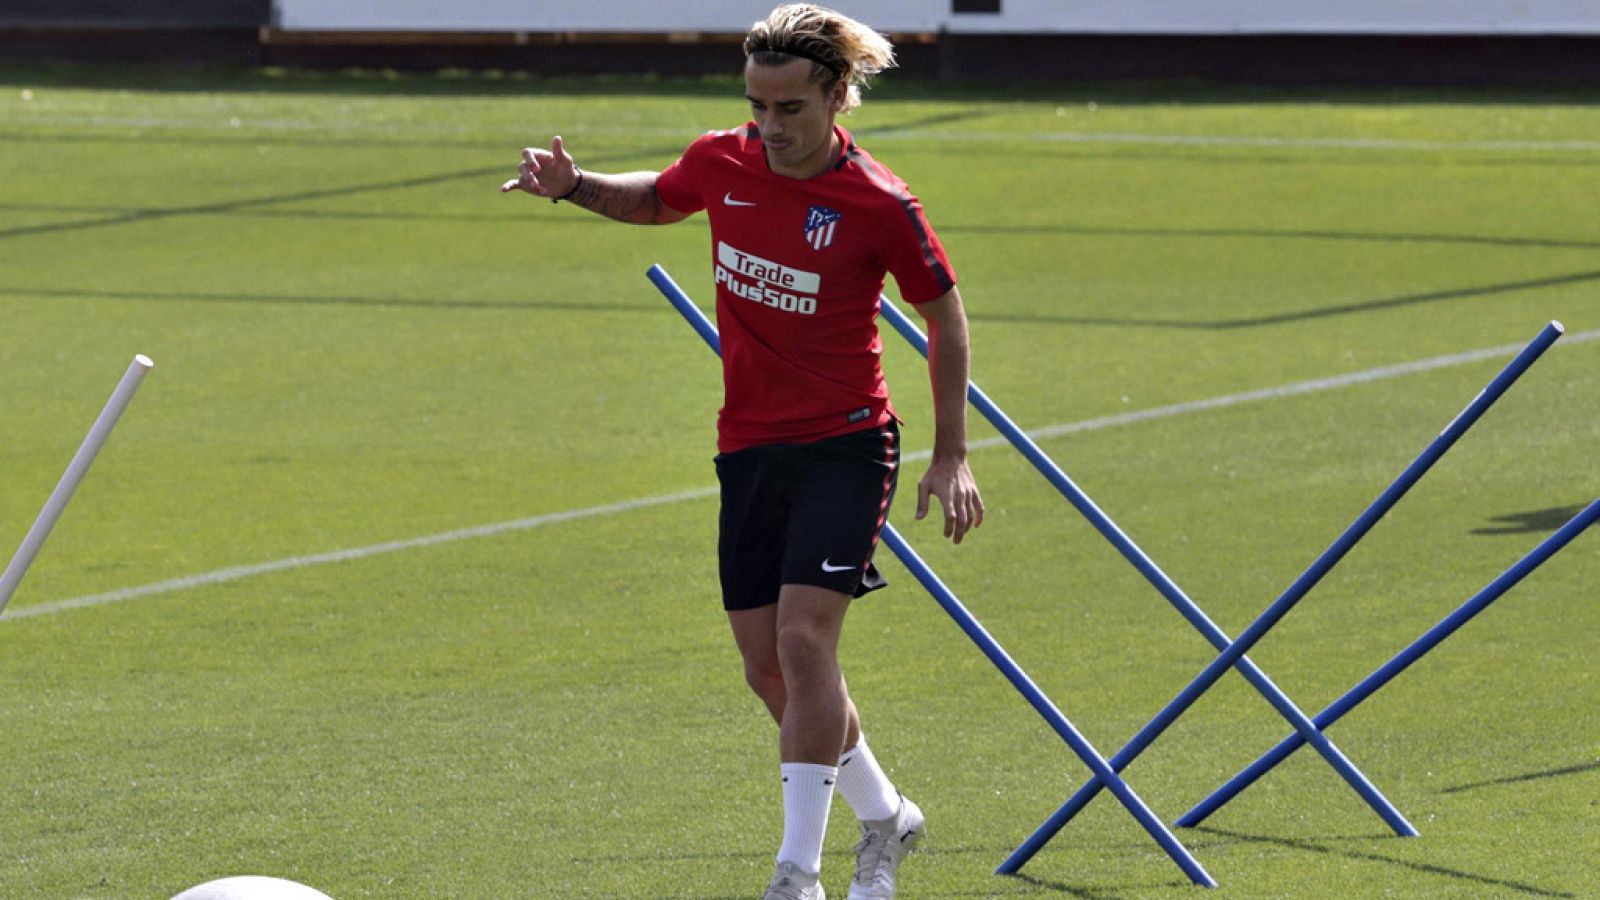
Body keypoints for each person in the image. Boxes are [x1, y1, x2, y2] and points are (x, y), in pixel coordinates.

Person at [502, 5, 982, 898]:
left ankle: (795, 876)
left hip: (846, 446)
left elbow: (944, 316)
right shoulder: (725, 159)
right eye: (757, 106)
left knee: (805, 641)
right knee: (770, 668)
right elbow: (660, 198)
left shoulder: (881, 202)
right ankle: (887, 818)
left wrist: (951, 453)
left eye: (789, 109)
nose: (769, 126)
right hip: (749, 446)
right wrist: (574, 186)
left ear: (838, 97)